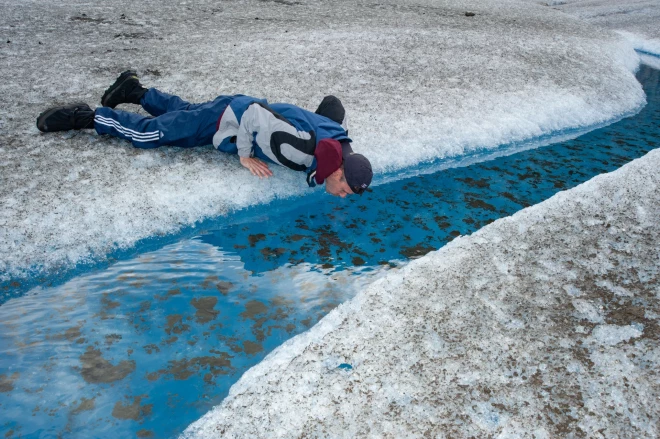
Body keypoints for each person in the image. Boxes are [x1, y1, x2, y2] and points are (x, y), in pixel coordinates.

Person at [36, 71, 373, 198]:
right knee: (153, 134)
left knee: (183, 114)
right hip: (228, 120)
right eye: (344, 187)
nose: (342, 194)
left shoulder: (339, 141)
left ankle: (135, 91)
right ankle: (86, 117)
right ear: (339, 170)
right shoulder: (301, 151)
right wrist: (244, 154)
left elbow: (332, 106)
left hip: (232, 108)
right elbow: (256, 116)